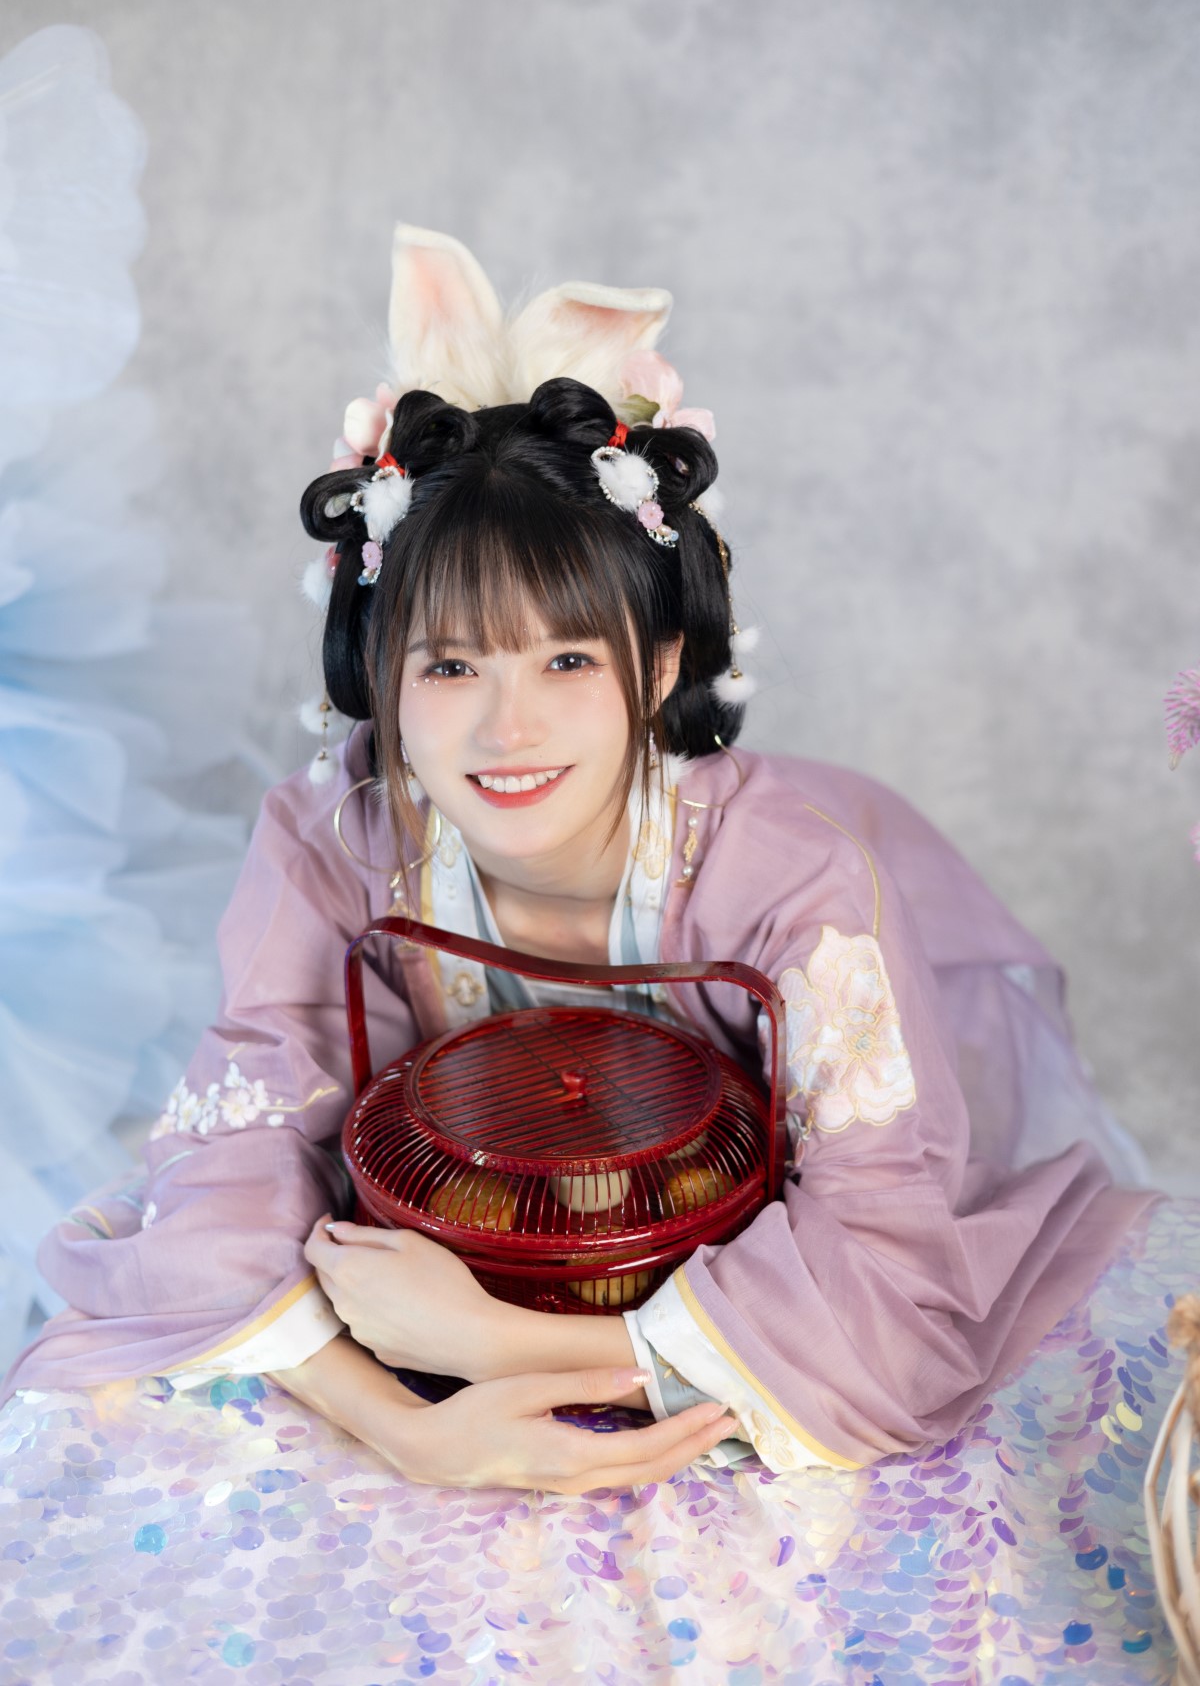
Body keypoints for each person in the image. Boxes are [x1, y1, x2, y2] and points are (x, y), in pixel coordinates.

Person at [3, 226, 1196, 1682]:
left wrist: (512, 1349)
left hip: (750, 1220)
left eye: (568, 660)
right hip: (478, 1219)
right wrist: (408, 1424)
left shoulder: (791, 880)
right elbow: (239, 1143)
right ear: (379, 674)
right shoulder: (333, 839)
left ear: (665, 661)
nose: (507, 729)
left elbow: (887, 1268)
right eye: (451, 665)